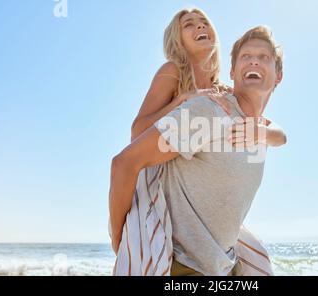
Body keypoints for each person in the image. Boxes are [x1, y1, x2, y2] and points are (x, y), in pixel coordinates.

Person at [109, 25, 285, 276]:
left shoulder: (260, 131)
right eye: (246, 57)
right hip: (183, 267)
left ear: (278, 75)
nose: (254, 62)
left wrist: (270, 135)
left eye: (264, 58)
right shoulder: (207, 112)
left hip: (226, 265)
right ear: (232, 72)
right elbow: (124, 163)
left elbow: (281, 135)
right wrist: (121, 242)